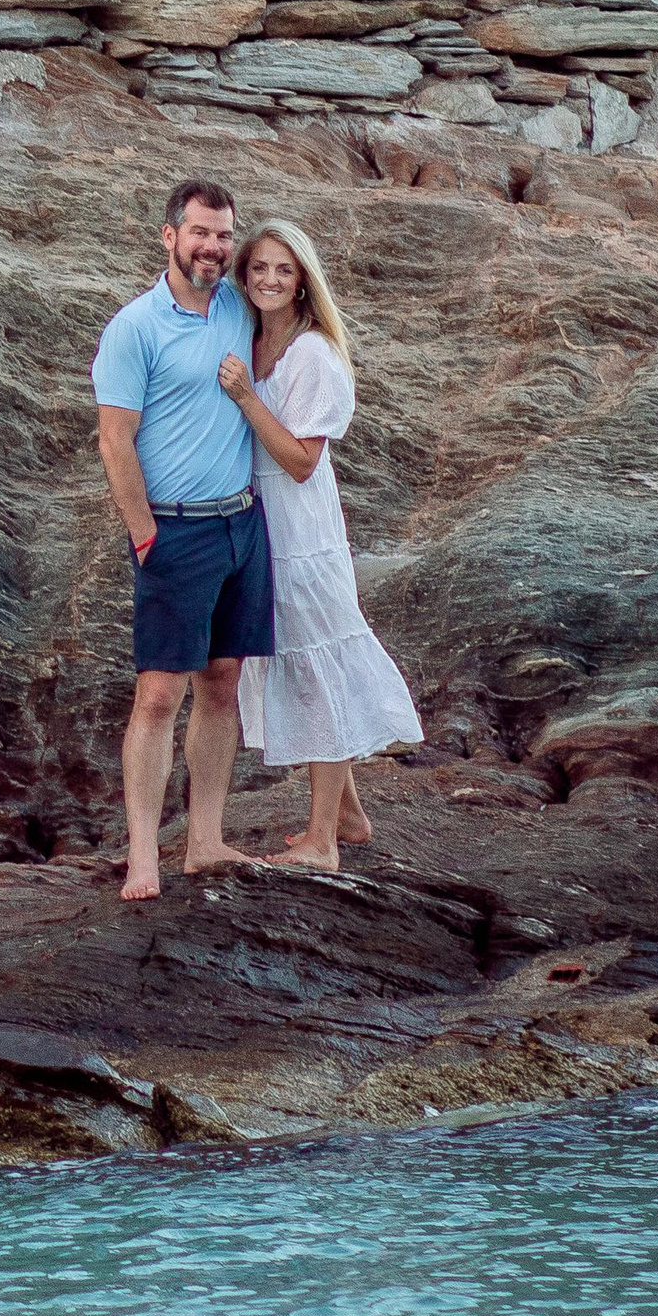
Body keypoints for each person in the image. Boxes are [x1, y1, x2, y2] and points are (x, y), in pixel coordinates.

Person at [91, 175, 275, 902]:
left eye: (225, 234)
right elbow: (114, 440)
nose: (215, 247)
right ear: (169, 235)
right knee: (160, 693)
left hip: (241, 523)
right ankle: (144, 856)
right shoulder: (134, 327)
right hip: (173, 531)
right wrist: (144, 533)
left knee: (223, 684)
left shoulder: (237, 305)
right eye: (201, 232)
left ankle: (205, 838)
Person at [217, 219, 421, 872]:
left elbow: (303, 459)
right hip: (260, 524)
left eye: (284, 269)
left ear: (303, 278)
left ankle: (322, 841)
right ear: (244, 277)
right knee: (295, 659)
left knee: (316, 665)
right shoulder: (250, 337)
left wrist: (246, 397)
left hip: (301, 531)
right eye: (259, 269)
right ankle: (350, 815)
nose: (270, 279)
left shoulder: (312, 353)